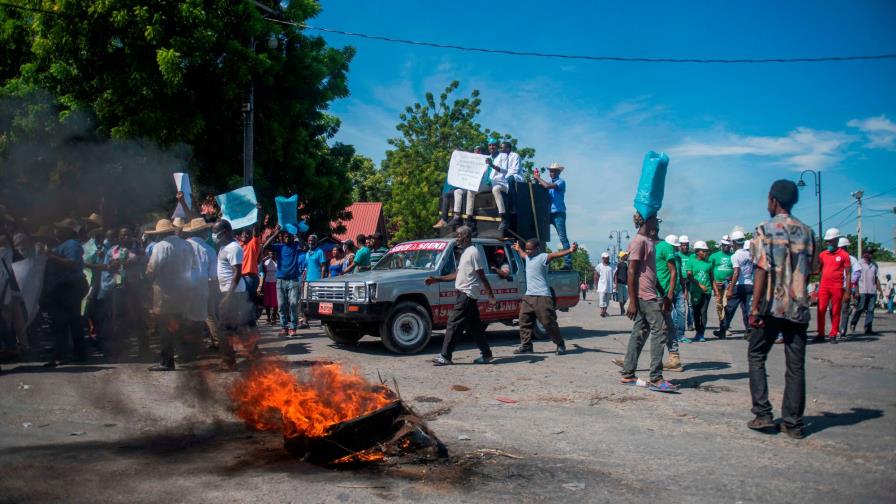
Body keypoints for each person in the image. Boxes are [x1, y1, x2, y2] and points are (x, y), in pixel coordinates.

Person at [747, 179, 815, 439]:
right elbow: (813, 269)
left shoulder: (764, 229)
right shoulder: (808, 231)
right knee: (795, 365)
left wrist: (754, 308)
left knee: (756, 355)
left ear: (773, 200)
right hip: (798, 305)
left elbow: (761, 269)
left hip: (770, 305)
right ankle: (793, 424)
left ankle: (763, 414)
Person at [619, 212, 677, 392]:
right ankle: (656, 378)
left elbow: (650, 273)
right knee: (660, 331)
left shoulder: (649, 242)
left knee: (639, 333)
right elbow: (631, 272)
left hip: (650, 293)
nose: (657, 223)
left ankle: (628, 374)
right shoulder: (638, 242)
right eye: (655, 219)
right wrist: (633, 301)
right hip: (645, 296)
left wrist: (665, 295)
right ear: (647, 220)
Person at [427, 226, 498, 365]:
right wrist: (437, 279)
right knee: (475, 327)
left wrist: (491, 296)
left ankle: (445, 356)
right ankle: (487, 355)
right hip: (464, 294)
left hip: (467, 294)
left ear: (466, 237)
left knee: (453, 323)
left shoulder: (473, 252)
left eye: (459, 235)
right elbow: (457, 274)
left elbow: (482, 275)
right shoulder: (466, 253)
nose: (457, 238)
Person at [512, 239, 578, 355]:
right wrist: (519, 249)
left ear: (537, 249)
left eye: (530, 249)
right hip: (529, 296)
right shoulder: (528, 257)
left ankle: (560, 343)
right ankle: (526, 346)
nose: (527, 251)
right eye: (526, 249)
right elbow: (523, 255)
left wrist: (570, 250)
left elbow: (555, 255)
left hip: (542, 296)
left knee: (547, 322)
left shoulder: (543, 257)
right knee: (524, 321)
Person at [144, 219, 194, 371]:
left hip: (165, 293)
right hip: (183, 290)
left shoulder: (161, 246)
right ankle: (183, 356)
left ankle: (167, 362)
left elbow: (151, 270)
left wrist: (146, 285)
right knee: (178, 325)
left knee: (165, 328)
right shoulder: (187, 245)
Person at [44, 218, 90, 367]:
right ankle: (73, 354)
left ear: (66, 231)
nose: (56, 231)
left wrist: (51, 256)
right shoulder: (65, 245)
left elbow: (72, 263)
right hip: (67, 286)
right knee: (69, 321)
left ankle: (65, 355)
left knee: (64, 321)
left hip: (70, 286)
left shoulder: (72, 244)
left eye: (59, 229)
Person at [214, 219, 255, 370]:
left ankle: (228, 362)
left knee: (225, 328)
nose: (214, 236)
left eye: (216, 233)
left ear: (224, 232)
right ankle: (254, 355)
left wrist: (228, 296)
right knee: (238, 327)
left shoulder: (234, 248)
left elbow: (237, 273)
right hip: (228, 292)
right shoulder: (224, 246)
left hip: (234, 293)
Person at [264, 224, 306, 336]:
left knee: (292, 304)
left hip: (293, 280)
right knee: (281, 305)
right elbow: (266, 245)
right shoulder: (279, 246)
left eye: (289, 236)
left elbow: (305, 246)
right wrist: (276, 233)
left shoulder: (296, 246)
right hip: (280, 280)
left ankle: (293, 327)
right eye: (285, 236)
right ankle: (284, 327)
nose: (287, 238)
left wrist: (297, 234)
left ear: (293, 237)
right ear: (282, 238)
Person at [655, 234, 685, 372]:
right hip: (661, 293)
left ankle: (631, 361)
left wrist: (671, 294)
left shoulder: (668, 251)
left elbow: (674, 273)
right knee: (667, 324)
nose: (675, 250)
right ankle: (674, 357)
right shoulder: (663, 249)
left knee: (657, 326)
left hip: (663, 294)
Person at [715, 231, 753, 339]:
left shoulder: (735, 256)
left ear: (734, 242)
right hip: (749, 284)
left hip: (738, 285)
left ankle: (723, 330)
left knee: (729, 309)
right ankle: (749, 331)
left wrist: (731, 288)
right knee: (747, 309)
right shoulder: (750, 254)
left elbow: (736, 272)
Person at [534, 163, 572, 269]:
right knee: (541, 236)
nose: (552, 173)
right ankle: (541, 261)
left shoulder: (561, 182)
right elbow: (540, 187)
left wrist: (538, 177)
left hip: (558, 213)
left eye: (554, 171)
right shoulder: (548, 182)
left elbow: (546, 186)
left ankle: (568, 264)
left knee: (562, 237)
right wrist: (537, 180)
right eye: (551, 171)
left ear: (559, 172)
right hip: (547, 213)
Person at [816, 227, 850, 343]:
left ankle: (833, 334)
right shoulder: (823, 255)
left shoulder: (844, 255)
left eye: (830, 241)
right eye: (827, 241)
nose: (828, 243)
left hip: (837, 286)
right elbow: (818, 269)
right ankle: (820, 334)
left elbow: (848, 274)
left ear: (836, 240)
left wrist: (848, 291)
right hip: (824, 286)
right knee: (821, 310)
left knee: (836, 311)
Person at [685, 241, 714, 342]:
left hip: (707, 291)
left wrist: (716, 291)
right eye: (704, 251)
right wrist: (700, 285)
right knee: (696, 313)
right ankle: (698, 331)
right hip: (695, 291)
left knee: (703, 312)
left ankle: (701, 333)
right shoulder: (691, 261)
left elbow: (711, 277)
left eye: (706, 251)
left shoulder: (709, 264)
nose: (706, 253)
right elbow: (689, 275)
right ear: (697, 252)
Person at [849, 249, 882, 336]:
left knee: (870, 310)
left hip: (872, 290)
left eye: (872, 253)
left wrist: (880, 290)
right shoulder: (859, 264)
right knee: (860, 308)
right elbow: (855, 279)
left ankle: (868, 328)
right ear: (865, 254)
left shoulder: (874, 265)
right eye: (870, 253)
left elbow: (876, 278)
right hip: (862, 290)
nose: (871, 255)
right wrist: (856, 291)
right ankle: (853, 323)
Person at [837, 236, 861, 339]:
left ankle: (842, 330)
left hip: (845, 287)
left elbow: (857, 273)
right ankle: (836, 329)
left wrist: (850, 286)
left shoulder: (852, 259)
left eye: (843, 247)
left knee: (845, 309)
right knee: (834, 309)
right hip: (835, 286)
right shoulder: (834, 257)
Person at [709, 237, 734, 325]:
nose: (727, 247)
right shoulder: (714, 256)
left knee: (726, 304)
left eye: (728, 245)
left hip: (729, 284)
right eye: (725, 245)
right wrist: (714, 282)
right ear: (721, 245)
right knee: (719, 305)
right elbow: (709, 270)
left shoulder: (733, 256)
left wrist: (731, 279)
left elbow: (737, 270)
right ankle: (722, 322)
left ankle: (726, 324)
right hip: (717, 284)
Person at [677, 235, 694, 331]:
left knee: (690, 304)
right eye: (683, 245)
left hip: (690, 281)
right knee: (681, 304)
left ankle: (690, 323)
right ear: (680, 245)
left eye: (687, 245)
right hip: (680, 281)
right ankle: (680, 324)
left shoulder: (692, 255)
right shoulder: (677, 255)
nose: (686, 247)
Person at [594, 252, 614, 317]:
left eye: (608, 257)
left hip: (609, 285)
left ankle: (604, 311)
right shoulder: (599, 266)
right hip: (601, 285)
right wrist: (596, 285)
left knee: (607, 299)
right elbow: (596, 276)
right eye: (605, 258)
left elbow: (615, 275)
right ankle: (602, 311)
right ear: (602, 258)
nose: (607, 258)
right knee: (602, 298)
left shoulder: (612, 266)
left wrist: (615, 284)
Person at [261, 249, 278, 324]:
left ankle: (274, 318)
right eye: (270, 254)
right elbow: (261, 269)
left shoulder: (278, 262)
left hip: (275, 283)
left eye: (273, 253)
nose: (272, 255)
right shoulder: (265, 262)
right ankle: (268, 318)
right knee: (267, 301)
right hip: (267, 282)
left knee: (275, 302)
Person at [615, 251, 629, 315]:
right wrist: (616, 283)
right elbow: (616, 274)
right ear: (623, 257)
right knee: (621, 298)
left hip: (626, 283)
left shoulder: (626, 264)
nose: (627, 257)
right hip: (620, 283)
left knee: (626, 298)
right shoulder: (618, 265)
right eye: (626, 256)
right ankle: (622, 310)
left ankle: (622, 308)